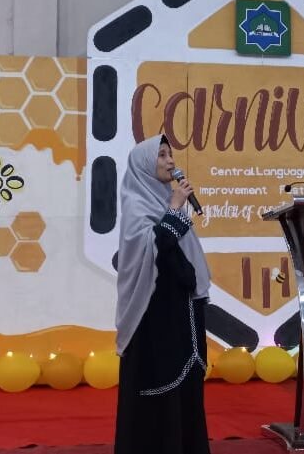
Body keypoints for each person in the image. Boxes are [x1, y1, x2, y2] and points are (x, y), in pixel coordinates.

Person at [114, 134, 212, 454]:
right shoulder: (137, 204)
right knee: (161, 388)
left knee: (187, 389)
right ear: (144, 164)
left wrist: (174, 209)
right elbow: (153, 250)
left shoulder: (166, 202)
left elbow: (177, 252)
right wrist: (174, 208)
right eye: (162, 155)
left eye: (170, 155)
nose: (171, 161)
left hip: (181, 308)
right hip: (156, 315)